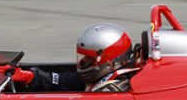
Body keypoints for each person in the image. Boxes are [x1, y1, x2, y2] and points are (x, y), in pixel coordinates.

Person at [8, 23, 139, 92]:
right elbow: (63, 81)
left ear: (110, 61)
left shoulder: (114, 90)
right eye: (84, 56)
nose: (83, 61)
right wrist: (30, 77)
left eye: (89, 58)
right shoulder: (99, 79)